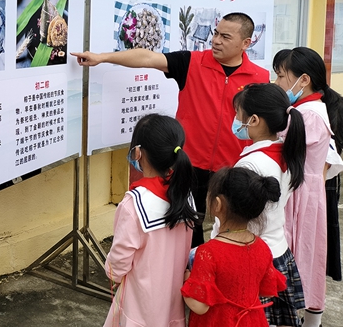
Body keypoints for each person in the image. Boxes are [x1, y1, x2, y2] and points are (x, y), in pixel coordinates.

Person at [72, 12, 269, 247]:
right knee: (188, 224)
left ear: (246, 43)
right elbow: (147, 57)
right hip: (188, 163)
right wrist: (102, 58)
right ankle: (187, 264)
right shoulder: (192, 62)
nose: (216, 40)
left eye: (225, 37)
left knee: (231, 227)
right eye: (216, 33)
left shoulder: (260, 78)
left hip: (233, 167)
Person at [102, 114, 198, 327]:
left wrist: (113, 274)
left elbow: (120, 259)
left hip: (139, 307)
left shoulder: (134, 204)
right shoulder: (185, 194)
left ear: (138, 152)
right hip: (172, 303)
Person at [273, 47, 343, 327]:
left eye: (281, 76)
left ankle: (298, 323)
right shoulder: (310, 109)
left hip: (298, 195)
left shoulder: (306, 115)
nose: (276, 82)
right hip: (306, 192)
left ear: (303, 80)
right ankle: (309, 325)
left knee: (293, 256)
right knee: (306, 254)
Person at [229, 83, 306, 327]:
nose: (235, 119)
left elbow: (234, 217)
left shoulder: (251, 164)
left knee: (255, 324)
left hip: (252, 255)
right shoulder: (287, 152)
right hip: (279, 250)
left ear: (253, 120)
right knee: (284, 322)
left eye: (238, 113)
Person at [182, 167, 286, 327]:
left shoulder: (208, 253)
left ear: (218, 204)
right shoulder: (262, 247)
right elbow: (266, 289)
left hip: (218, 325)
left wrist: (187, 281)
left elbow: (199, 306)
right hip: (252, 324)